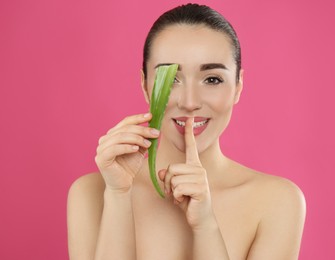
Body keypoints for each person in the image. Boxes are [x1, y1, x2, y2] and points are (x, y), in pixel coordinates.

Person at [67, 3, 306, 260]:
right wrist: (118, 196)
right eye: (170, 79)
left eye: (212, 79)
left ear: (238, 86)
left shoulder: (277, 201)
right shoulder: (91, 193)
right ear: (145, 86)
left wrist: (206, 227)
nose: (190, 102)